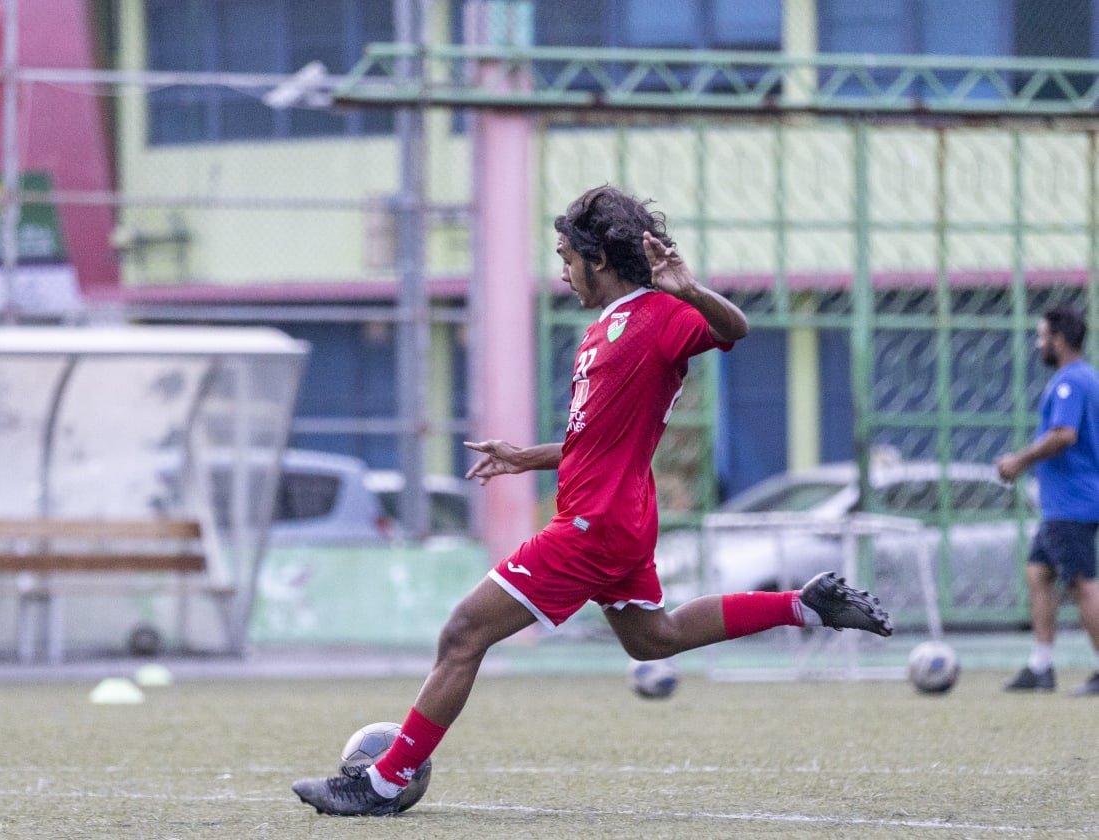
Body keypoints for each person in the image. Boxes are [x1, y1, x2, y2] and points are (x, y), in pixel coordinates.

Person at [291, 185, 893, 817]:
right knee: (653, 639)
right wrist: (525, 457)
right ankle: (804, 605)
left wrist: (689, 289)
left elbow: (733, 328)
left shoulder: (660, 315)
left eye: (566, 257)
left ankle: (385, 783)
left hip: (593, 524)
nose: (562, 271)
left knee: (464, 632)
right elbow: (597, 441)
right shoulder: (601, 331)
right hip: (615, 518)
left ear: (599, 258)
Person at [996, 305, 1099, 695]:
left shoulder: (1070, 382)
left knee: (1082, 585)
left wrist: (1019, 461)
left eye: (1041, 336)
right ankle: (1040, 667)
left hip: (1072, 503)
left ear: (1059, 339)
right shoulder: (1087, 377)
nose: (1038, 344)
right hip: (1067, 502)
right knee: (1038, 573)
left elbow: (1064, 435)